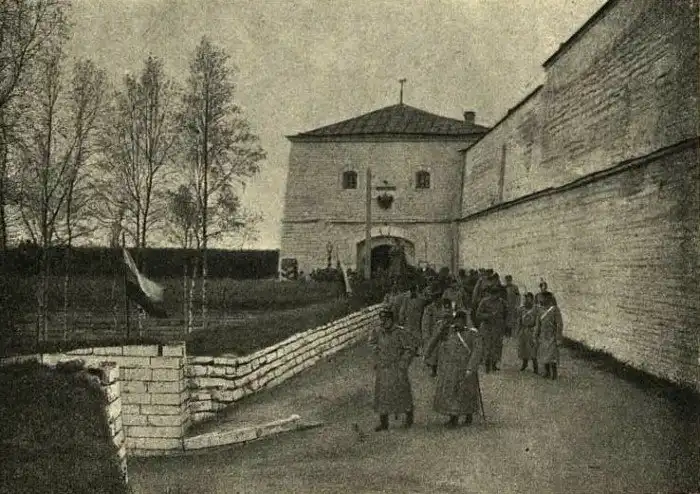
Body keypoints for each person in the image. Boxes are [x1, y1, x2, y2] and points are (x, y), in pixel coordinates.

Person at [424, 310, 483, 427]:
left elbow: (477, 351)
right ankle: (453, 418)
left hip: (464, 368)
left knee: (466, 393)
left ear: (465, 321)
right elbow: (434, 340)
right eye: (456, 320)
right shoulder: (447, 331)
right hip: (450, 369)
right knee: (452, 394)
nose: (457, 323)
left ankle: (468, 415)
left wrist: (471, 367)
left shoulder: (472, 334)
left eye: (460, 320)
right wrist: (427, 354)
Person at [368, 305, 418, 430]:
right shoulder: (377, 332)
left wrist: (403, 362)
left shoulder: (400, 332)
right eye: (381, 319)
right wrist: (376, 355)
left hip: (397, 368)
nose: (383, 322)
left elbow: (410, 348)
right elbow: (372, 343)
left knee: (402, 393)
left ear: (391, 319)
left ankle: (409, 418)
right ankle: (384, 422)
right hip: (384, 368)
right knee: (382, 396)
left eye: (386, 319)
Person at [475, 284, 507, 373]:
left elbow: (505, 314)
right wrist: (489, 315)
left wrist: (504, 325)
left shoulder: (502, 302)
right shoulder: (484, 302)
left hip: (498, 327)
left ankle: (494, 364)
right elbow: (478, 314)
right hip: (487, 327)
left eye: (498, 294)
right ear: (491, 294)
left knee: (497, 346)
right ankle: (487, 365)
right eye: (495, 294)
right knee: (487, 346)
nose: (496, 296)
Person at [535, 291, 564, 379]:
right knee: (544, 353)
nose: (541, 300)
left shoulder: (555, 309)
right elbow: (538, 323)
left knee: (552, 354)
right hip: (543, 335)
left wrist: (558, 337)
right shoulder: (540, 310)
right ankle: (547, 372)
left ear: (548, 298)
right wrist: (536, 334)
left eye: (543, 298)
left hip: (552, 335)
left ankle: (554, 373)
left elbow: (559, 324)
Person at [420, 285, 443, 374]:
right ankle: (433, 368)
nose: (437, 299)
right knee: (433, 351)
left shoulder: (444, 307)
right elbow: (425, 323)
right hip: (433, 332)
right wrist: (426, 335)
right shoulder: (429, 308)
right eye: (435, 298)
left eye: (439, 297)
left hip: (443, 332)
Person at [399, 284, 428, 352]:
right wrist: (401, 319)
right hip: (409, 322)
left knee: (418, 337)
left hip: (418, 322)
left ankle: (419, 350)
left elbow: (425, 308)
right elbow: (402, 310)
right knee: (409, 337)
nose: (413, 292)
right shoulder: (406, 299)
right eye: (412, 290)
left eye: (414, 290)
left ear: (416, 290)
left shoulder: (422, 299)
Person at [516, 292, 539, 373]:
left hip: (531, 330)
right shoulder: (521, 309)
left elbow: (538, 321)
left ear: (532, 299)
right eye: (525, 298)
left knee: (532, 349)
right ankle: (524, 363)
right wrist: (518, 330)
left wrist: (536, 331)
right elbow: (519, 320)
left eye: (528, 298)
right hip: (523, 329)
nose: (526, 300)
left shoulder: (536, 309)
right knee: (523, 348)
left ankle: (535, 367)